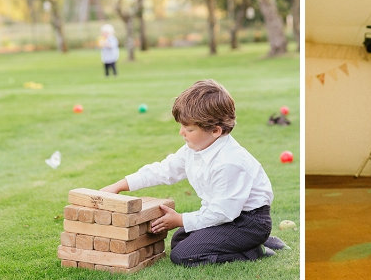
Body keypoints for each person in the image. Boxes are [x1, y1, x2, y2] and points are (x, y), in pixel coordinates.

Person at [101, 79, 280, 266]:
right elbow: (162, 170)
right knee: (179, 240)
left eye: (189, 129)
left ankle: (253, 249)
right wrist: (119, 186)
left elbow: (223, 212)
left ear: (215, 131)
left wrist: (179, 219)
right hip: (227, 215)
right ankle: (241, 244)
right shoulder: (193, 149)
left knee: (183, 255)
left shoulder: (230, 162)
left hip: (247, 222)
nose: (181, 133)